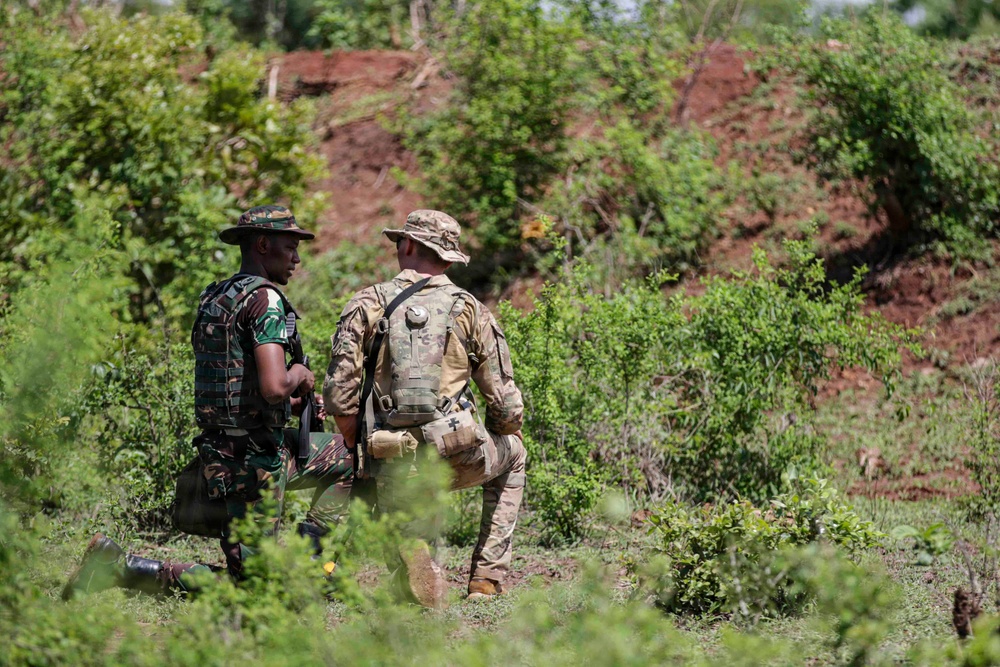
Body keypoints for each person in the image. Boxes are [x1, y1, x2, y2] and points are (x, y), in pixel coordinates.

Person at [63, 205, 354, 599]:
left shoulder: (216, 296)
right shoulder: (265, 300)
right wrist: (299, 376)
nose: (297, 259)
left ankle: (310, 562)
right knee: (255, 594)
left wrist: (297, 405)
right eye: (290, 247)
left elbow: (237, 383)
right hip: (252, 466)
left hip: (232, 450)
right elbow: (273, 386)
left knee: (354, 456)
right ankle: (123, 567)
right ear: (263, 245)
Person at [323, 209, 527, 609]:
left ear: (410, 245)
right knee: (515, 455)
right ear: (449, 259)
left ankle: (415, 562)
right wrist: (507, 428)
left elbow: (338, 390)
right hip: (458, 451)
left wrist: (358, 445)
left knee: (408, 511)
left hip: (393, 458)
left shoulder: (366, 302)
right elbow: (503, 402)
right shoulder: (472, 309)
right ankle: (486, 578)